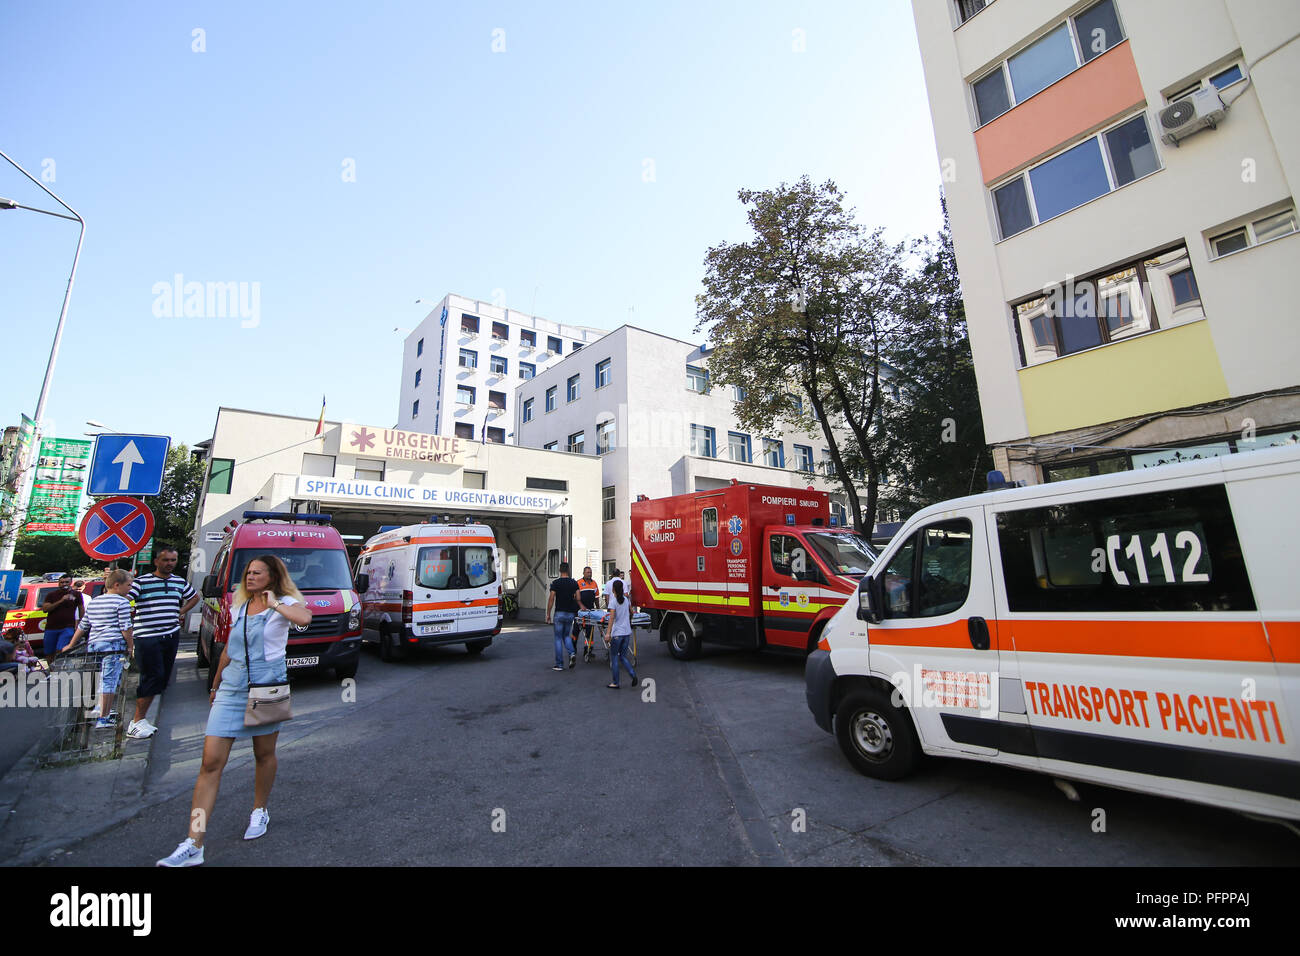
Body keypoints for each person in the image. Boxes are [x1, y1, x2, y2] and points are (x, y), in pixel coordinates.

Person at [157, 554, 311, 867]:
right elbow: (229, 648)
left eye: (257, 572)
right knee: (210, 763)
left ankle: (259, 810)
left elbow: (304, 618)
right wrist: (215, 685)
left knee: (263, 754)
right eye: (248, 572)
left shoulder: (284, 602)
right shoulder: (239, 605)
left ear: (272, 577)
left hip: (268, 686)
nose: (250, 577)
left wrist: (274, 605)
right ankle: (194, 841)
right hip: (232, 687)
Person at [126, 548, 200, 739]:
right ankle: (136, 721)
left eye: (173, 560)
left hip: (170, 635)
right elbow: (125, 600)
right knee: (152, 676)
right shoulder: (142, 582)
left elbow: (194, 597)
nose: (170, 563)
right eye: (166, 560)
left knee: (162, 678)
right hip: (147, 636)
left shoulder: (178, 581)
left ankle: (141, 720)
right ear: (156, 561)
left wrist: (181, 611)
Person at [59, 570, 134, 729]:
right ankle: (103, 718)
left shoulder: (95, 601)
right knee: (110, 680)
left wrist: (71, 644)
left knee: (98, 679)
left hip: (94, 644)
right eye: (128, 585)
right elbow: (125, 627)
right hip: (113, 645)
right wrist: (130, 646)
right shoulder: (122, 603)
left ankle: (97, 712)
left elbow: (83, 625)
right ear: (117, 585)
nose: (130, 588)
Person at [603, 578, 638, 689]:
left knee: (614, 657)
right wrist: (629, 621)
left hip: (617, 633)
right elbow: (631, 612)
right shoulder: (626, 600)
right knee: (623, 657)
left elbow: (612, 618)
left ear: (613, 589)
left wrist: (608, 633)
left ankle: (615, 682)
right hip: (627, 632)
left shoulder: (613, 602)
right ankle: (633, 674)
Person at [545, 562, 580, 671]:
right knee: (566, 635)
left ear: (560, 570)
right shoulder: (574, 583)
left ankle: (559, 664)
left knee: (558, 638)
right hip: (570, 613)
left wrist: (548, 614)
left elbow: (551, 598)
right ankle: (572, 653)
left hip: (559, 613)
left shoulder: (556, 583)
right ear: (568, 570)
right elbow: (578, 597)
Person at [40, 573, 83, 657]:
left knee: (61, 649)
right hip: (51, 628)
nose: (64, 584)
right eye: (62, 582)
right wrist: (61, 600)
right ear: (58, 583)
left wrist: (81, 622)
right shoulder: (51, 595)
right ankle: (51, 669)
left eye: (66, 582)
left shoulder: (77, 594)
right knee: (49, 652)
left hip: (67, 627)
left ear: (71, 582)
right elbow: (45, 609)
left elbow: (81, 608)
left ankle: (58, 668)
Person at [573, 567, 600, 662]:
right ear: (583, 573)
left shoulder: (594, 583)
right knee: (576, 631)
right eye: (588, 572)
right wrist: (580, 606)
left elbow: (596, 597)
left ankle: (587, 650)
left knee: (590, 632)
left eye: (591, 572)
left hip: (590, 611)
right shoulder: (578, 583)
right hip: (579, 611)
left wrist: (598, 608)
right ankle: (573, 648)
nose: (589, 574)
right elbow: (575, 597)